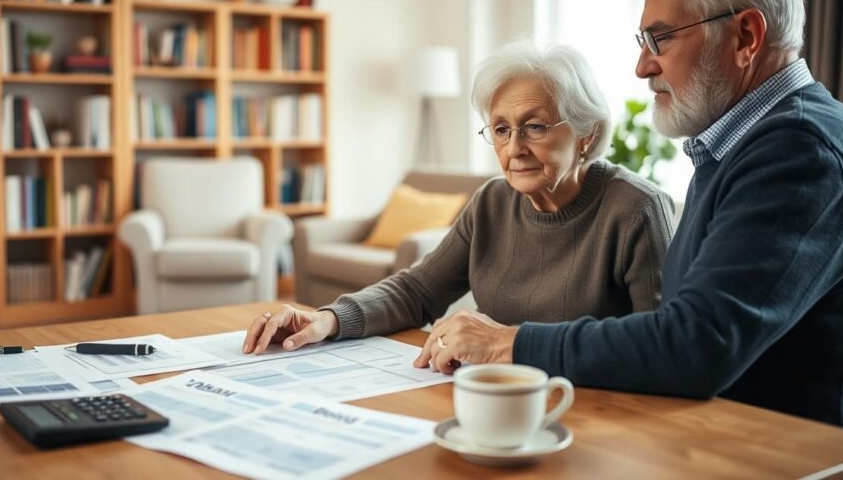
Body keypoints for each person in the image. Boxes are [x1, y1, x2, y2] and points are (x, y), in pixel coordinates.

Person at [420, 0, 843, 431]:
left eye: (661, 39)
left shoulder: (799, 150)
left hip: (774, 455)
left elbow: (695, 344)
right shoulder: (737, 144)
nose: (641, 66)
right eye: (642, 42)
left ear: (746, 36)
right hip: (705, 436)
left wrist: (508, 342)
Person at [242, 40, 675, 370]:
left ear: (587, 133)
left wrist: (511, 340)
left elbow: (659, 348)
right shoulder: (492, 201)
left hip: (594, 412)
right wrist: (329, 319)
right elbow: (417, 291)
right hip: (493, 401)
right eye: (501, 129)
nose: (514, 148)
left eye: (535, 126)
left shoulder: (636, 210)